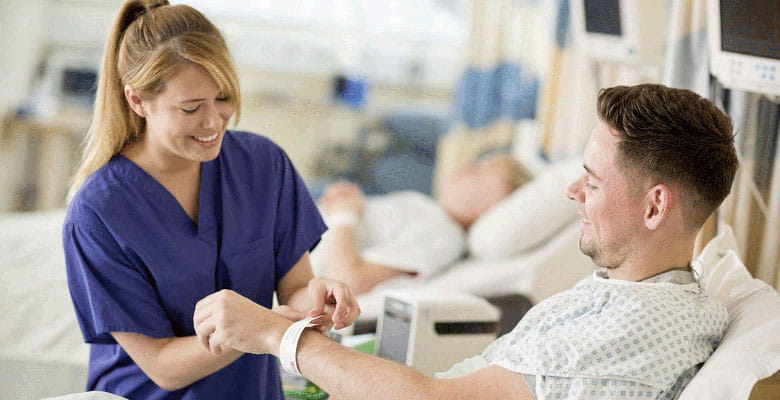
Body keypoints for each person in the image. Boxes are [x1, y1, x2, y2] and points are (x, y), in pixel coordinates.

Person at [193, 84, 739, 399]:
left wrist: (277, 337)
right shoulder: (614, 294)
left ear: (655, 206)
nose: (573, 191)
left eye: (592, 182)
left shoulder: (637, 325)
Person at [62, 1, 359, 399]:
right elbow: (164, 367)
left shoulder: (263, 166)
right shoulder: (99, 212)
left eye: (223, 98)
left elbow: (295, 291)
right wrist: (265, 328)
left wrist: (319, 299)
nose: (213, 122)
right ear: (137, 101)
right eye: (190, 108)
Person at [311, 154, 530, 296]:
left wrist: (344, 214)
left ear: (489, 206)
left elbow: (347, 282)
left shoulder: (442, 236)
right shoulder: (427, 208)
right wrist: (343, 201)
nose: (469, 165)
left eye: (483, 170)